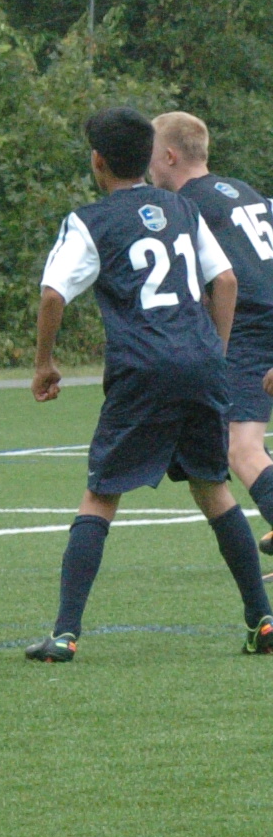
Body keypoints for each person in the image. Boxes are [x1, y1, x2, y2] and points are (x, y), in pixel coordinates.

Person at [26, 107, 273, 662]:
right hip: (201, 362)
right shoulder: (184, 208)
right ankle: (262, 620)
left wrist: (44, 363)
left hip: (143, 366)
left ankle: (64, 634)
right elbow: (225, 279)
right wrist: (216, 352)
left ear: (97, 161)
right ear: (146, 158)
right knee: (214, 490)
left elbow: (52, 294)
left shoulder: (89, 220)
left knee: (101, 495)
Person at [148, 112, 273, 555]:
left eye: (150, 155)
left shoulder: (185, 206)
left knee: (241, 447)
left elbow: (212, 281)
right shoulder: (246, 191)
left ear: (169, 156)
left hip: (249, 327)